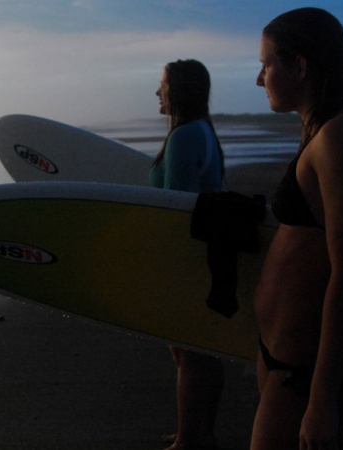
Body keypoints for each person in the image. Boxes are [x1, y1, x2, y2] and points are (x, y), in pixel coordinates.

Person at [252, 8, 343, 450]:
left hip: (306, 369)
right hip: (284, 356)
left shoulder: (341, 138)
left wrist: (322, 399)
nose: (259, 79)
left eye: (266, 64)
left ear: (300, 66)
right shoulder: (318, 129)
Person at [150, 59, 226, 450]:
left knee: (188, 352)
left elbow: (174, 207)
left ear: (178, 89)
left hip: (188, 256)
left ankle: (188, 441)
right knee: (203, 352)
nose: (157, 92)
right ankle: (201, 434)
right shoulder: (203, 131)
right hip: (207, 251)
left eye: (162, 84)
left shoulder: (183, 137)